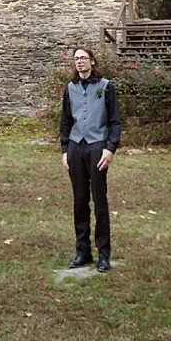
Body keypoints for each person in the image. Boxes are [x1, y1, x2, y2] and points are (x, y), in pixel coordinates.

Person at [59, 47, 122, 271]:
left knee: (100, 200)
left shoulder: (105, 87)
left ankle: (103, 254)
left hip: (97, 147)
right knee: (79, 200)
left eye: (83, 58)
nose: (80, 62)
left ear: (92, 61)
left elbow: (115, 121)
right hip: (76, 147)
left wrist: (110, 148)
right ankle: (82, 251)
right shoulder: (70, 88)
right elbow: (65, 122)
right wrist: (65, 150)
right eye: (76, 59)